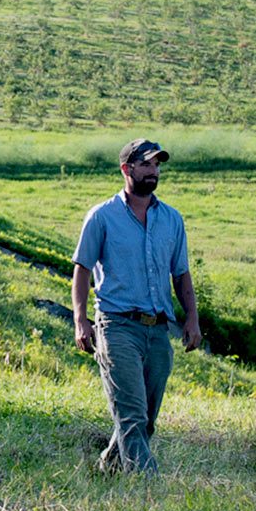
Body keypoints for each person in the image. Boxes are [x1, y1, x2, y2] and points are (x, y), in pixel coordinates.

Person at [72, 138, 201, 474]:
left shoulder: (172, 219)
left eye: (157, 165)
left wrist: (192, 320)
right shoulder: (102, 217)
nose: (153, 171)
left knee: (147, 419)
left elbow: (181, 274)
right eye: (146, 164)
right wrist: (80, 320)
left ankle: (107, 469)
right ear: (126, 169)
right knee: (131, 414)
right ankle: (148, 485)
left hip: (158, 329)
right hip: (117, 326)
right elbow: (82, 269)